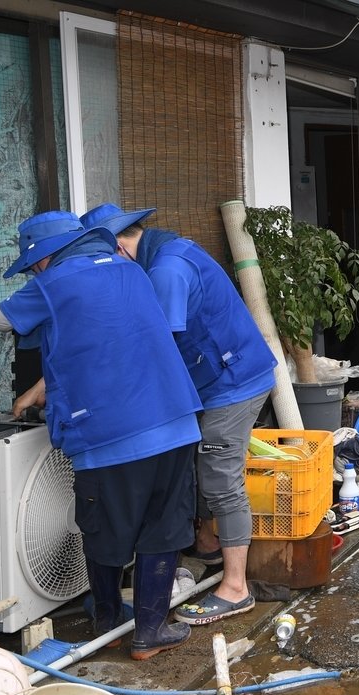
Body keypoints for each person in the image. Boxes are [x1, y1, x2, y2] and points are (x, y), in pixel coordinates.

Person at [0, 211, 203, 660]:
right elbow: (105, 342)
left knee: (103, 529)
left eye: (33, 264)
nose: (33, 272)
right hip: (175, 422)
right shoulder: (132, 271)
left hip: (111, 435)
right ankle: (149, 632)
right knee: (163, 525)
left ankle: (107, 623)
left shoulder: (52, 283)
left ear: (45, 256)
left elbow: (2, 319)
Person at [80, 204, 278, 626]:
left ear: (118, 247)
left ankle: (236, 588)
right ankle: (207, 544)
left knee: (220, 476)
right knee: (197, 464)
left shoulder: (167, 270)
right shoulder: (164, 252)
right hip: (214, 377)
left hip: (234, 382)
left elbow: (158, 346)